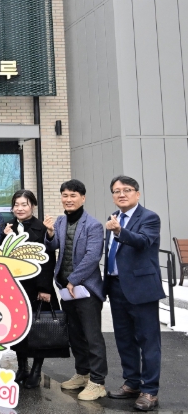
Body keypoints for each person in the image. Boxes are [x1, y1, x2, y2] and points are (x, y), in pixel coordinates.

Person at [43, 179, 108, 402]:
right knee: (75, 336)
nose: (68, 199)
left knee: (92, 336)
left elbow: (92, 257)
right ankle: (83, 374)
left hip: (86, 290)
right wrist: (50, 233)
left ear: (83, 198)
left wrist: (73, 279)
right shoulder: (61, 221)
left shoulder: (94, 225)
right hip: (66, 290)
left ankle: (98, 382)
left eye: (73, 196)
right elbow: (53, 247)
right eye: (65, 195)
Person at [103, 176, 164, 412]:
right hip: (116, 287)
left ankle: (150, 391)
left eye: (126, 190)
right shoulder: (113, 217)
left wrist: (120, 231)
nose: (121, 194)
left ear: (137, 194)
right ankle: (132, 383)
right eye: (116, 191)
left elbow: (143, 241)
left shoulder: (149, 217)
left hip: (141, 288)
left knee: (148, 341)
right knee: (124, 339)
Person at [3, 189, 68, 389]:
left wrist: (44, 288)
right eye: (16, 205)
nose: (20, 208)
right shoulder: (9, 227)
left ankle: (36, 371)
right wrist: (6, 238)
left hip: (37, 287)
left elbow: (48, 260)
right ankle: (22, 367)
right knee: (18, 329)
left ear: (32, 206)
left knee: (39, 330)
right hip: (16, 287)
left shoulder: (42, 228)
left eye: (24, 204)